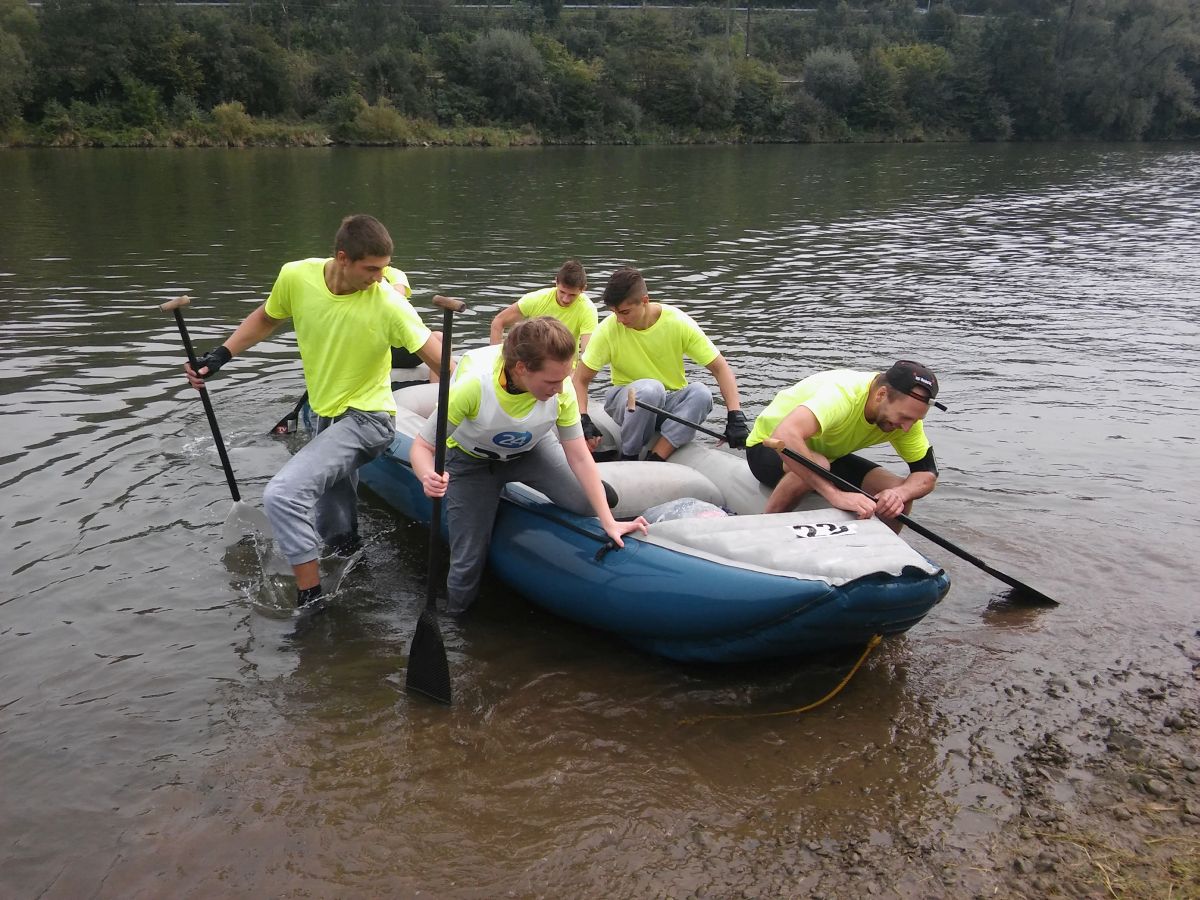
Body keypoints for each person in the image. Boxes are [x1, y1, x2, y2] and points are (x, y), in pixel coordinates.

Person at [185, 213, 443, 610]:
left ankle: (312, 602)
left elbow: (443, 363)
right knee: (335, 528)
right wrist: (219, 357)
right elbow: (266, 318)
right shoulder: (296, 277)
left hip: (369, 420)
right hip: (326, 418)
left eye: (384, 270)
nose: (379, 278)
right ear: (343, 257)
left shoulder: (390, 304)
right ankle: (354, 572)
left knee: (283, 495)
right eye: (371, 269)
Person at [411, 316, 648, 614]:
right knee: (468, 559)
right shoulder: (473, 388)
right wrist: (427, 475)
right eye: (551, 381)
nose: (561, 389)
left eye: (564, 379)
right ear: (521, 368)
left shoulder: (562, 391)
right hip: (471, 462)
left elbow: (578, 455)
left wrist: (608, 521)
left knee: (588, 502)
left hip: (531, 450)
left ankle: (577, 497)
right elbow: (422, 447)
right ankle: (456, 619)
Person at [571, 266, 748, 461]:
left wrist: (735, 414)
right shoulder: (608, 329)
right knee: (650, 389)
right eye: (615, 313)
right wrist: (583, 417)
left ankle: (657, 457)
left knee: (702, 393)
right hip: (626, 400)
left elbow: (720, 368)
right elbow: (580, 379)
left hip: (666, 404)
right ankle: (629, 456)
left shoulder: (678, 322)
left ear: (645, 301)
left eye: (625, 312)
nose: (620, 320)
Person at [745, 360, 945, 528]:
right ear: (881, 395)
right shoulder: (843, 395)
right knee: (819, 464)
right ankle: (767, 527)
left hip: (828, 457)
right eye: (904, 417)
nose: (908, 428)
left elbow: (926, 474)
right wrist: (835, 495)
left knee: (898, 495)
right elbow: (784, 435)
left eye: (916, 420)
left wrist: (898, 494)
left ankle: (880, 557)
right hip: (768, 448)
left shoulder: (907, 420)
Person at [489, 259, 596, 358]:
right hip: (532, 362)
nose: (565, 299)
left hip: (565, 367)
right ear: (556, 282)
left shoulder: (588, 310)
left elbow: (587, 354)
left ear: (583, 289)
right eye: (562, 292)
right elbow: (498, 322)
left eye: (572, 295)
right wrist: (497, 363)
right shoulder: (535, 299)